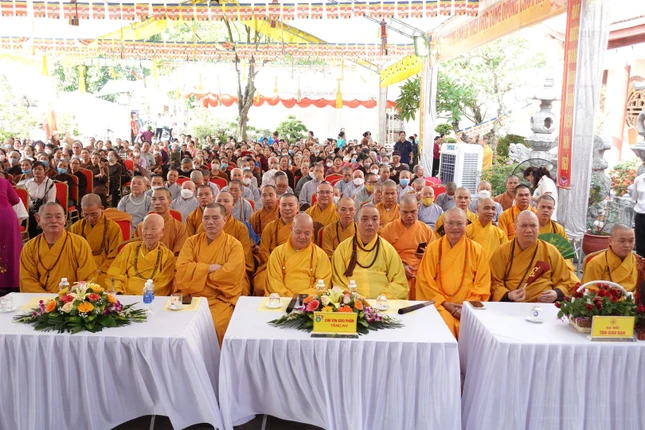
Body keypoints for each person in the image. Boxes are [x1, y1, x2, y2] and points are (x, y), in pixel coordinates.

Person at [176, 203, 246, 344]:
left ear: (224, 220)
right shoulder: (191, 242)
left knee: (214, 326)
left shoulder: (234, 245)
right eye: (206, 218)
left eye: (215, 218)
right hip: (191, 297)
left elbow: (230, 275)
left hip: (219, 299)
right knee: (178, 326)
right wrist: (208, 268)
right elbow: (182, 269)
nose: (210, 222)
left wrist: (196, 273)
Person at [417, 208, 491, 338]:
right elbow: (425, 281)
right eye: (450, 223)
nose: (454, 227)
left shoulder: (477, 250)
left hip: (468, 307)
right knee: (442, 325)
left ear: (466, 224)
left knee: (476, 330)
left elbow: (482, 285)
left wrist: (466, 308)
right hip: (439, 305)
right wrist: (444, 303)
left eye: (459, 223)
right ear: (443, 224)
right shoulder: (433, 249)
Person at [490, 211, 579, 302]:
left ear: (538, 228)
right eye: (524, 226)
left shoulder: (550, 250)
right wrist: (509, 295)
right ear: (515, 228)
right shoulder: (503, 251)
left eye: (533, 226)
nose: (529, 230)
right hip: (511, 303)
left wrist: (556, 293)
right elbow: (494, 282)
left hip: (544, 304)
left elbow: (565, 281)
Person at [331, 205, 408, 298]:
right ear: (357, 222)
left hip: (382, 303)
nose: (370, 223)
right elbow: (338, 281)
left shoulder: (388, 249)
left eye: (374, 219)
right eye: (364, 219)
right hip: (353, 302)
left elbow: (400, 282)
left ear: (379, 222)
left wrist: (383, 298)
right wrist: (355, 298)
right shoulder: (342, 248)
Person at [20, 203, 97, 293]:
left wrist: (69, 297)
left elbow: (87, 278)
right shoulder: (29, 247)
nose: (54, 221)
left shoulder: (79, 244)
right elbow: (27, 281)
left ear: (65, 219)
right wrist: (46, 298)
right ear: (38, 220)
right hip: (39, 299)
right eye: (48, 217)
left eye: (58, 217)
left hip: (71, 298)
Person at [381, 195, 436, 300]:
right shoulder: (388, 229)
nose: (409, 216)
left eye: (413, 211)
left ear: (418, 207)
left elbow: (435, 256)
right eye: (405, 212)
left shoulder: (426, 230)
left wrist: (426, 255)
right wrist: (400, 267)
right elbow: (383, 256)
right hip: (396, 273)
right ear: (399, 209)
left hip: (421, 275)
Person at [106, 213, 176, 295]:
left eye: (153, 229)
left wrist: (142, 296)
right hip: (124, 295)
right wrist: (118, 292)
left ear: (162, 232)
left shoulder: (168, 256)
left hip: (149, 298)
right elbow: (114, 274)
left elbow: (163, 283)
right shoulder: (129, 248)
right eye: (145, 228)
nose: (148, 233)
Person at [266, 213, 332, 297]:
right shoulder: (277, 253)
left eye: (307, 233)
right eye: (298, 232)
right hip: (282, 300)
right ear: (291, 229)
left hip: (310, 301)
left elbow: (322, 285)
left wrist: (302, 297)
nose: (302, 237)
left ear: (312, 232)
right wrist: (290, 298)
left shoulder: (320, 255)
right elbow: (274, 282)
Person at [69, 194, 122, 288]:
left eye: (93, 214)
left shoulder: (113, 228)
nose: (90, 218)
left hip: (103, 270)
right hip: (81, 270)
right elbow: (69, 254)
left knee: (104, 284)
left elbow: (115, 255)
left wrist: (101, 269)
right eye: (85, 214)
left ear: (102, 208)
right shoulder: (75, 228)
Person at [253, 194, 299, 296]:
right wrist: (275, 265)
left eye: (290, 205)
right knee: (260, 285)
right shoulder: (270, 227)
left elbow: (305, 251)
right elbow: (263, 250)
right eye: (284, 205)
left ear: (297, 207)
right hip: (271, 265)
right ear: (279, 206)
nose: (287, 208)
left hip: (296, 267)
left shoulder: (302, 228)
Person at [581, 224, 637, 291]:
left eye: (631, 241)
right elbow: (589, 291)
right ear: (610, 241)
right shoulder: (596, 263)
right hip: (605, 297)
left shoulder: (639, 262)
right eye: (622, 241)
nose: (627, 245)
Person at [136, 187, 187, 255]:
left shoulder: (179, 228)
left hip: (168, 261)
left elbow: (180, 255)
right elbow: (135, 250)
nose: (157, 203)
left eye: (161, 199)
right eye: (154, 199)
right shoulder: (141, 226)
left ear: (169, 201)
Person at [24, 161, 57, 238]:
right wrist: (33, 206)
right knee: (28, 217)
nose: (37, 171)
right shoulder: (28, 183)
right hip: (32, 208)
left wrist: (41, 210)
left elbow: (51, 200)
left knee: (42, 216)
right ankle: (32, 239)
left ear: (44, 170)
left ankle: (44, 237)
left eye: (40, 169)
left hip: (46, 208)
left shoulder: (50, 183)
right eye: (35, 169)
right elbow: (27, 199)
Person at [0, 176, 21, 290]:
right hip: (7, 216)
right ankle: (11, 282)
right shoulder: (3, 181)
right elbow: (16, 200)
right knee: (9, 248)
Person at [632, 170, 645, 257]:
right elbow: (635, 198)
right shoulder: (639, 179)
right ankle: (641, 264)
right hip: (641, 217)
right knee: (640, 246)